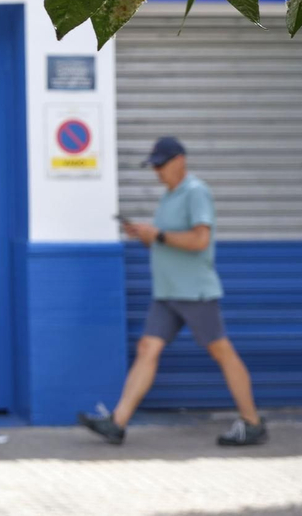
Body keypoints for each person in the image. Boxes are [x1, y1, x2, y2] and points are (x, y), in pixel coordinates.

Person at [79, 136, 268, 447]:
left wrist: (159, 235)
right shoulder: (168, 197)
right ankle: (117, 422)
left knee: (221, 352)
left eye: (161, 165)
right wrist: (145, 235)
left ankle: (252, 422)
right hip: (167, 293)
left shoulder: (196, 192)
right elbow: (165, 241)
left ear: (180, 160)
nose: (157, 172)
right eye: (154, 167)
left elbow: (200, 240)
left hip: (194, 292)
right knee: (147, 349)